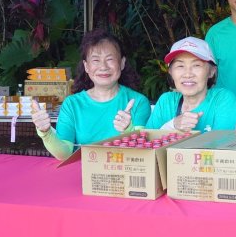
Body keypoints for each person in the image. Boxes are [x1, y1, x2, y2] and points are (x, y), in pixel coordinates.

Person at [31, 29, 151, 160]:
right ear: (86, 66)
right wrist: (46, 133)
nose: (103, 67)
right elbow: (64, 153)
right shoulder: (72, 104)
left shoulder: (138, 102)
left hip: (123, 174)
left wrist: (128, 130)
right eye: (96, 60)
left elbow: (143, 154)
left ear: (122, 63)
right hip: (82, 174)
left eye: (110, 59)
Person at [146, 36, 236, 132]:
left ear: (211, 71)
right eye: (180, 66)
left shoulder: (222, 99)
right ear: (170, 72)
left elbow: (225, 142)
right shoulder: (166, 101)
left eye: (196, 65)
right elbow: (145, 143)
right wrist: (173, 125)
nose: (188, 74)